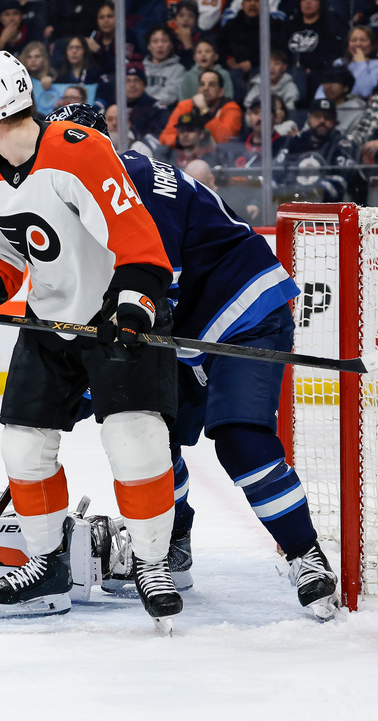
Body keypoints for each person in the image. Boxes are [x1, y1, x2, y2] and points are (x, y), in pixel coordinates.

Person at [0, 52, 182, 626]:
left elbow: (141, 246)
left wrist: (133, 307)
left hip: (113, 315)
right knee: (24, 447)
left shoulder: (79, 149)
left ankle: (152, 562)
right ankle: (47, 562)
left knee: (135, 439)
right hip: (49, 321)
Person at [52, 102, 340, 619]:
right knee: (151, 436)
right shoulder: (92, 190)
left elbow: (153, 292)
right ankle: (174, 540)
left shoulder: (136, 186)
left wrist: (90, 385)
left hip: (242, 313)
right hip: (178, 335)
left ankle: (305, 555)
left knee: (240, 438)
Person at [159, 69, 242, 148]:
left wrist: (205, 111)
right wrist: (184, 141)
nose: (205, 88)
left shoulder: (231, 108)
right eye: (202, 84)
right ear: (198, 89)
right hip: (186, 153)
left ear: (221, 92)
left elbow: (225, 141)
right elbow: (165, 138)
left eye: (211, 85)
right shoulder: (185, 105)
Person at [143, 24, 184, 109]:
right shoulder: (141, 68)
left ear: (171, 45)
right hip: (140, 108)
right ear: (149, 46)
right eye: (155, 41)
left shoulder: (178, 69)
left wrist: (153, 104)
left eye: (164, 41)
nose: (160, 45)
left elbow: (172, 94)